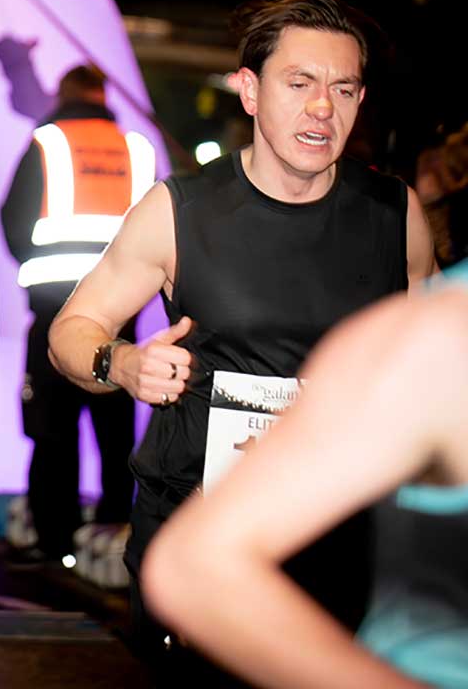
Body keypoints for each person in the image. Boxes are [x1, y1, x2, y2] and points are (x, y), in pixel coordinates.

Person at [46, 0, 437, 677]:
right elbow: (71, 331)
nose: (323, 108)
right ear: (250, 92)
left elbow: (434, 372)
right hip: (199, 537)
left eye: (343, 89)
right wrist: (122, 363)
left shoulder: (393, 214)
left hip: (341, 537)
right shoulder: (179, 210)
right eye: (300, 84)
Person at [142, 260, 468, 689]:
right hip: (216, 474)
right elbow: (192, 567)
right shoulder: (442, 334)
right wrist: (120, 361)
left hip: (347, 527)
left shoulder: (401, 226)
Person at [0, 64, 153, 568]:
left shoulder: (49, 143)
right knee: (115, 431)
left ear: (64, 94)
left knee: (53, 427)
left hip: (55, 310)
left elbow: (14, 220)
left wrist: (40, 270)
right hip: (119, 314)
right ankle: (111, 537)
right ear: (103, 95)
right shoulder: (135, 150)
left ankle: (54, 538)